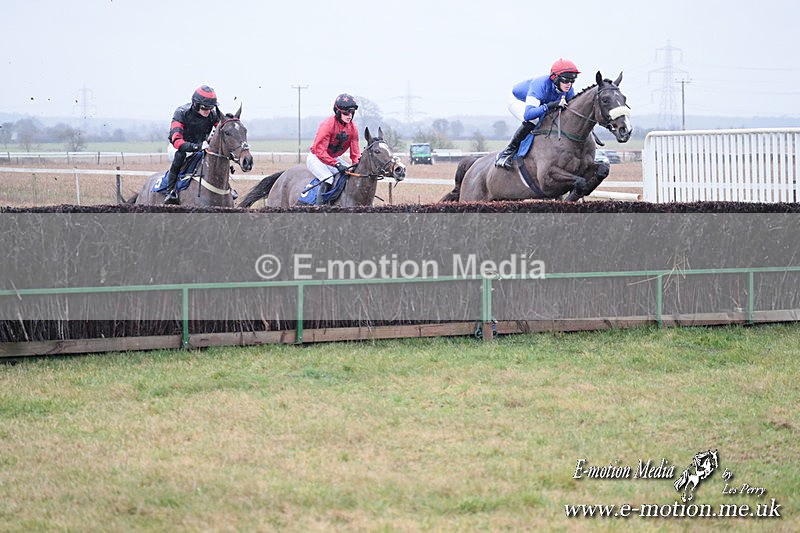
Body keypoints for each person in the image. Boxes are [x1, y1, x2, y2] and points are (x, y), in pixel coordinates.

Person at [495, 59, 580, 170]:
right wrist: (549, 106)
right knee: (534, 120)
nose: (569, 84)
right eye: (566, 80)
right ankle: (506, 154)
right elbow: (528, 114)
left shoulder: (568, 89)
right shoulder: (539, 85)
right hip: (519, 100)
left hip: (540, 102)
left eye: (572, 80)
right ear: (555, 78)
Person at [163, 85, 220, 204]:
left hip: (201, 146)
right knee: (181, 155)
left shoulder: (212, 114)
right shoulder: (181, 113)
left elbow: (222, 130)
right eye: (205, 108)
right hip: (179, 147)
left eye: (210, 108)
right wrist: (197, 147)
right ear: (196, 104)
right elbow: (177, 141)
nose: (208, 111)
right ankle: (170, 191)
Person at [306, 93, 361, 204]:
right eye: (346, 112)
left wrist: (357, 165)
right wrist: (337, 164)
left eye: (352, 112)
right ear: (337, 112)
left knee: (348, 174)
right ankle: (319, 208)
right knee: (328, 178)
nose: (349, 115)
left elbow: (355, 153)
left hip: (332, 158)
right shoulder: (328, 125)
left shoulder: (353, 128)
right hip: (317, 157)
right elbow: (320, 151)